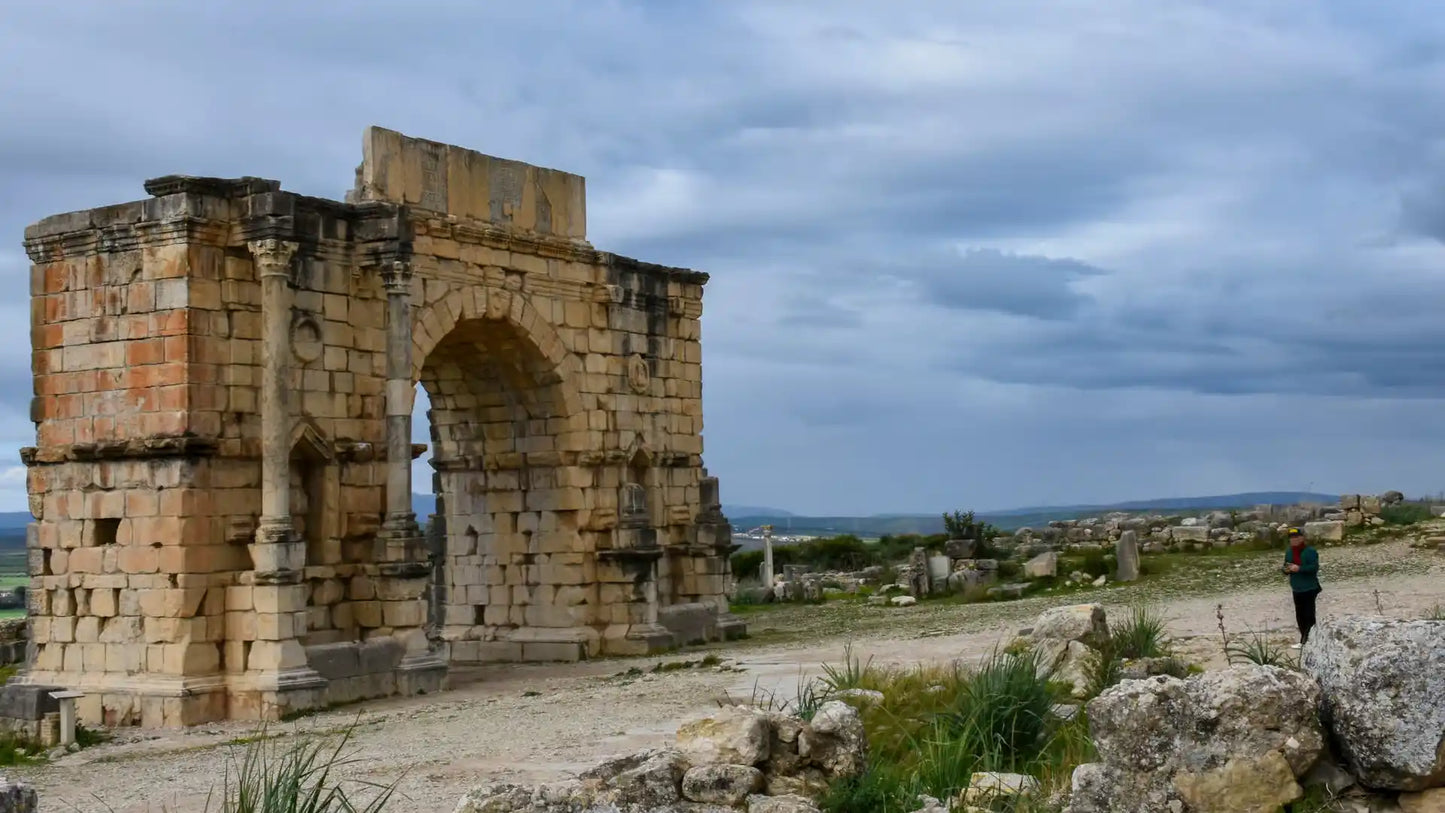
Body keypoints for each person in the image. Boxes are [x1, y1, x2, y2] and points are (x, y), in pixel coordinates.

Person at [1283, 527, 1322, 648]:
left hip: (1309, 588)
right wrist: (1286, 569)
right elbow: (1285, 566)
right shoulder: (1289, 552)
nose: (1293, 540)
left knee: (1309, 615)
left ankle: (1313, 640)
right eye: (1291, 538)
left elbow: (1314, 568)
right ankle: (1304, 640)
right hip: (1297, 588)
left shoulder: (1310, 551)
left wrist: (1300, 569)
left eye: (1296, 537)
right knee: (1299, 615)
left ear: (1302, 538)